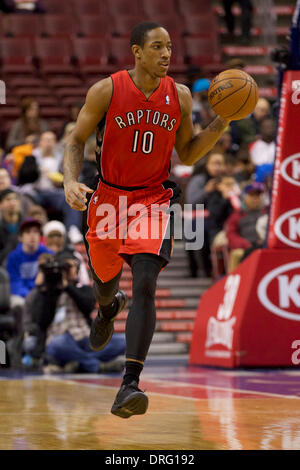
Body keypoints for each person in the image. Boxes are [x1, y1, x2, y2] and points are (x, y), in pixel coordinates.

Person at [63, 22, 234, 419]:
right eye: (157, 47)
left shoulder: (182, 96)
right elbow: (75, 139)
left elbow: (188, 154)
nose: (166, 54)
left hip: (153, 201)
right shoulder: (107, 90)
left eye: (170, 47)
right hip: (107, 200)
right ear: (136, 52)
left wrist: (220, 122)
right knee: (105, 286)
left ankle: (129, 385)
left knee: (145, 282)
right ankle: (107, 307)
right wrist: (70, 180)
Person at [23, 250, 125, 373]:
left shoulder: (84, 289)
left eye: (69, 267)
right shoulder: (48, 292)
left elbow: (87, 306)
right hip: (62, 339)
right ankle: (96, 365)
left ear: (76, 269)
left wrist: (68, 287)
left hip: (85, 337)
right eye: (63, 267)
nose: (66, 271)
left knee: (122, 342)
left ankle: (77, 362)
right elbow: (41, 321)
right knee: (56, 344)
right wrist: (49, 290)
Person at [6, 218, 53, 301]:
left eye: (35, 231)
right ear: (20, 237)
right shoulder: (13, 257)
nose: (32, 235)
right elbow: (15, 284)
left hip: (44, 295)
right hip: (22, 297)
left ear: (40, 236)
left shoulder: (48, 254)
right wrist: (31, 297)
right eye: (28, 232)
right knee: (16, 302)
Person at [226, 182, 267, 272]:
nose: (254, 199)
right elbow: (231, 234)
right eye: (251, 196)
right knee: (237, 254)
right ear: (245, 197)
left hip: (265, 245)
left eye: (257, 196)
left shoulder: (269, 213)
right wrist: (244, 243)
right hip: (245, 246)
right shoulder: (237, 215)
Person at [0, 189, 23, 265]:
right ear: (1, 205)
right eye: (8, 199)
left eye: (15, 199)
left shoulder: (27, 225)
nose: (12, 202)